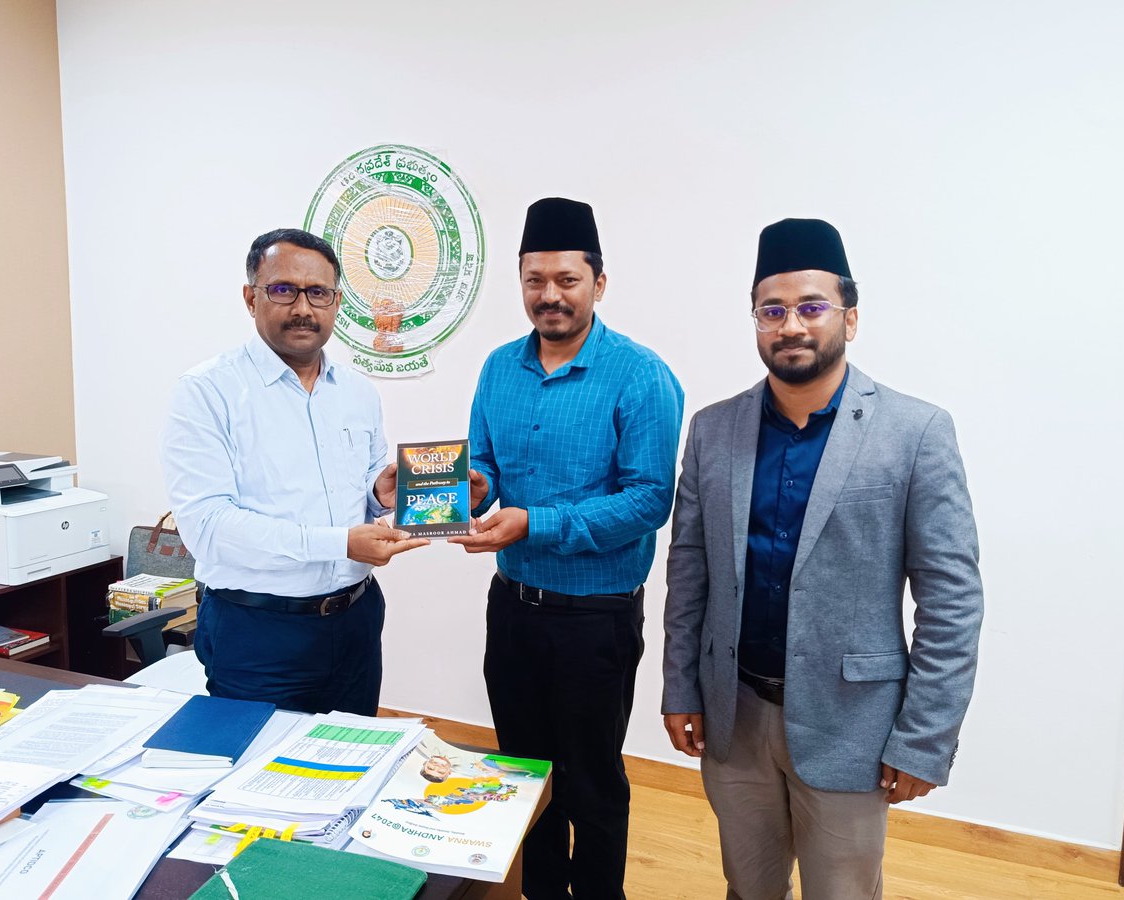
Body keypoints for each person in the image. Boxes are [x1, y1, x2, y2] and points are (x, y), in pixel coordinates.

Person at [661, 218, 983, 900]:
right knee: (748, 888)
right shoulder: (713, 430)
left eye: (812, 307)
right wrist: (681, 685)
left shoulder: (917, 432)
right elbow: (690, 568)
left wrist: (924, 737)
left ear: (851, 317)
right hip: (735, 714)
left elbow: (951, 601)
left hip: (851, 725)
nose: (791, 326)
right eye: (771, 311)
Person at [449, 198, 684, 900]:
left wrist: (535, 523)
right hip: (513, 610)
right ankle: (540, 891)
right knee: (521, 774)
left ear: (598, 283)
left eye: (566, 280)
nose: (549, 295)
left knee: (590, 784)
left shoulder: (640, 376)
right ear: (520, 282)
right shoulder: (498, 368)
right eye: (534, 280)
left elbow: (649, 500)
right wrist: (460, 488)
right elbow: (485, 474)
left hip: (595, 621)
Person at [160, 228, 427, 716]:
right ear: (251, 297)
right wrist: (340, 543)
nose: (303, 307)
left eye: (318, 293)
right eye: (284, 290)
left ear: (337, 302)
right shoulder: (206, 392)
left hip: (356, 620)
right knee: (252, 782)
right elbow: (209, 529)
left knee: (348, 768)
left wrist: (380, 492)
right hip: (257, 631)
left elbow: (361, 491)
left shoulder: (357, 392)